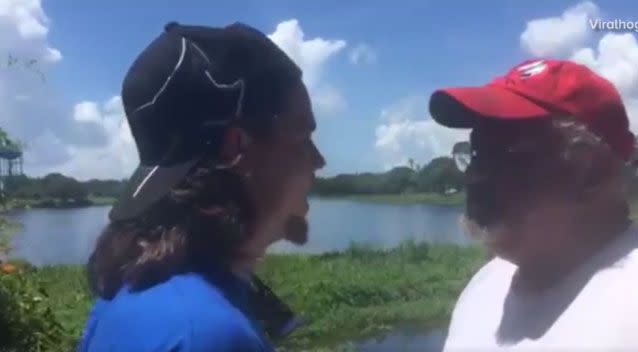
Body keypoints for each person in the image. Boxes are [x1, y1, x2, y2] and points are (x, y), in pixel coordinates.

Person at [77, 21, 325, 351]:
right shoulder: (209, 335)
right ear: (237, 148)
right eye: (302, 137)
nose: (318, 160)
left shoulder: (127, 290)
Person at [428, 59, 638, 350]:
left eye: (507, 153)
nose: (476, 174)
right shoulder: (485, 284)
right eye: (477, 151)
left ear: (592, 172)